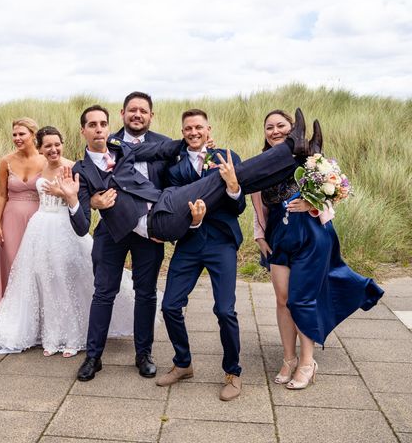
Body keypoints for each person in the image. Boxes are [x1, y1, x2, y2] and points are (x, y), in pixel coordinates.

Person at [60, 106, 323, 381]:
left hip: (165, 205)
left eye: (103, 123)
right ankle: (296, 149)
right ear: (84, 131)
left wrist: (195, 141)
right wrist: (75, 199)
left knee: (234, 178)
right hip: (158, 223)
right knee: (229, 177)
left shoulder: (124, 149)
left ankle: (298, 155)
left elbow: (165, 149)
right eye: (93, 125)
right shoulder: (80, 171)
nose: (99, 128)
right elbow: (80, 225)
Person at [0, 126, 134, 357]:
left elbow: (83, 197)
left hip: (64, 228)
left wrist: (68, 195)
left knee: (66, 281)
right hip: (39, 228)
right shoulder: (41, 166)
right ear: (40, 149)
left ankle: (72, 338)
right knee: (44, 282)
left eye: (57, 144)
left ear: (63, 144)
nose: (53, 149)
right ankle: (51, 337)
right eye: (47, 145)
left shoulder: (73, 167)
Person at [251, 109, 384, 389]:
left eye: (281, 126)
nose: (275, 131)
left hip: (312, 236)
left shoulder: (312, 161)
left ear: (292, 129)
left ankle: (307, 362)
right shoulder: (261, 165)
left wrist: (313, 204)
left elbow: (335, 195)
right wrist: (260, 236)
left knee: (301, 298)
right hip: (278, 237)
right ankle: (288, 358)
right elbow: (258, 208)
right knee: (282, 298)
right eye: (269, 127)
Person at [157, 109, 246, 401]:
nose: (193, 133)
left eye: (198, 127)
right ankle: (183, 363)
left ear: (209, 129)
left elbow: (239, 207)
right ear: (182, 133)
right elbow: (173, 205)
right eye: (187, 129)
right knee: (170, 305)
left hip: (221, 242)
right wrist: (193, 221)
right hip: (190, 241)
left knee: (224, 310)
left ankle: (233, 372)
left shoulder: (226, 157)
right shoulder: (174, 167)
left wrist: (233, 186)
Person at [0, 118, 44, 291]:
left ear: (33, 135)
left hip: (37, 219)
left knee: (35, 263)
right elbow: (1, 195)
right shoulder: (5, 161)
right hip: (11, 219)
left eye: (22, 134)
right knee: (12, 261)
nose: (17, 138)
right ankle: (11, 308)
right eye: (14, 134)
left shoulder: (45, 160)